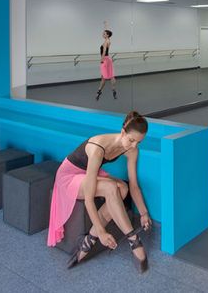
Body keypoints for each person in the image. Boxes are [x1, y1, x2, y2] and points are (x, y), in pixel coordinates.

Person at [47, 111, 152, 273]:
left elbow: (134, 186)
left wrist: (144, 212)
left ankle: (88, 240)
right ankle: (133, 239)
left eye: (139, 142)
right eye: (131, 140)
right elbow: (89, 199)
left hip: (90, 173)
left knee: (122, 188)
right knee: (111, 187)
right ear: (123, 132)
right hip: (69, 176)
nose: (134, 146)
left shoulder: (131, 150)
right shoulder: (97, 148)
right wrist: (102, 232)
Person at [96, 29, 117, 101]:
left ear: (107, 35)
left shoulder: (106, 42)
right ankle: (113, 90)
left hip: (105, 59)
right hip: (108, 59)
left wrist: (101, 59)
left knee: (104, 77)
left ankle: (100, 91)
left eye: (104, 33)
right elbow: (108, 32)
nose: (103, 34)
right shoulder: (108, 40)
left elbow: (104, 51)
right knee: (110, 76)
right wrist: (106, 25)